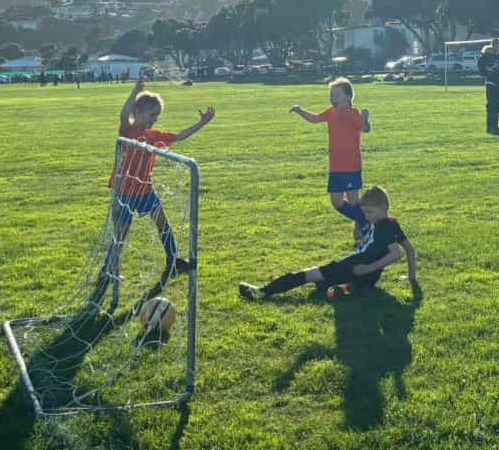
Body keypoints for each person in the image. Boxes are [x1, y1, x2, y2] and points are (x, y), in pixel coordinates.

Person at [94, 76, 214, 306]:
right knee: (120, 235)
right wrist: (136, 89)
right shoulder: (127, 130)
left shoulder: (154, 136)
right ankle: (107, 269)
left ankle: (174, 259)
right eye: (151, 115)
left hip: (146, 192)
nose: (153, 120)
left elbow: (180, 136)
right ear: (138, 112)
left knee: (163, 224)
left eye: (156, 117)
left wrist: (203, 123)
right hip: (125, 194)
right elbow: (123, 112)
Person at [239, 186, 417, 301]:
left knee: (309, 274)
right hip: (365, 276)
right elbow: (409, 249)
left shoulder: (383, 227)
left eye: (370, 212)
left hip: (354, 267)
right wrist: (411, 277)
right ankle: (347, 287)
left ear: (384, 207)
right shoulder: (392, 223)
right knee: (322, 285)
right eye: (366, 212)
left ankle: (261, 292)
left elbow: (397, 253)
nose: (368, 217)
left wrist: (367, 268)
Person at [290, 78, 373, 238]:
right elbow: (315, 119)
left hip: (351, 165)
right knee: (336, 201)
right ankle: (364, 221)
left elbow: (365, 129)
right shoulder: (331, 112)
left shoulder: (353, 113)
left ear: (348, 96)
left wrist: (365, 120)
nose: (333, 98)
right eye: (331, 95)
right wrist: (299, 110)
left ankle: (362, 228)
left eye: (337, 94)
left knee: (353, 200)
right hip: (335, 166)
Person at [478, 39, 499, 134]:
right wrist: (488, 71)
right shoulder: (487, 56)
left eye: (498, 44)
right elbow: (481, 67)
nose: (497, 46)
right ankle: (490, 127)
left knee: (497, 105)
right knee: (491, 104)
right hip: (491, 83)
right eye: (495, 45)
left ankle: (495, 127)